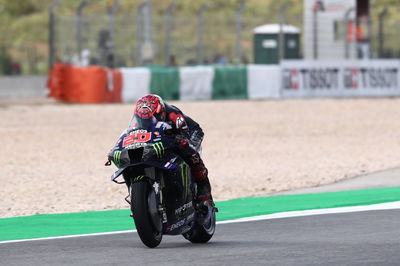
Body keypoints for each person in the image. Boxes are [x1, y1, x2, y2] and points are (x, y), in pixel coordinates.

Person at [108, 94, 214, 208]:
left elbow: (184, 136)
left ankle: (204, 192)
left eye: (150, 118)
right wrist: (115, 149)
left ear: (160, 113)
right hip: (166, 135)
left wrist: (180, 140)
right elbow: (131, 134)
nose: (146, 121)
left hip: (190, 132)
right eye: (142, 119)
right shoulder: (139, 119)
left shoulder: (173, 114)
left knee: (189, 153)